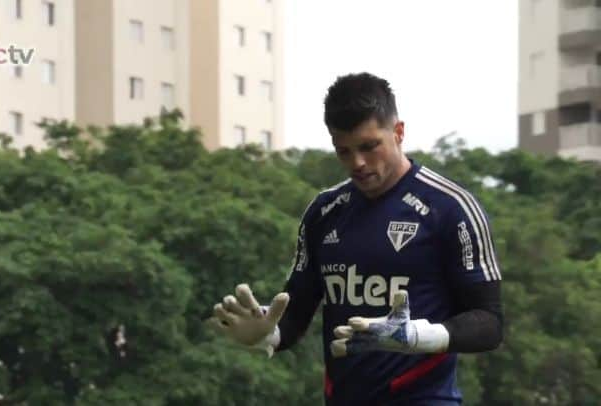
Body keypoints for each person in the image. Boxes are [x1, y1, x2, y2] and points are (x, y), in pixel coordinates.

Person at [209, 72, 503, 405]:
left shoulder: (451, 208)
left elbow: (489, 323)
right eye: (343, 151)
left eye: (368, 146)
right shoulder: (323, 213)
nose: (358, 163)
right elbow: (294, 314)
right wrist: (266, 334)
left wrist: (417, 337)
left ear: (398, 132)